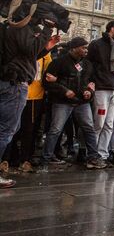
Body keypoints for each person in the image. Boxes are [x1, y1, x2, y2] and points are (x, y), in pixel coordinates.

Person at [0, 16, 58, 188]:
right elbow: (30, 48)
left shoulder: (8, 29)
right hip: (13, 84)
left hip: (9, 82)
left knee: (11, 129)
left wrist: (46, 48)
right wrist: (47, 29)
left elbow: (27, 53)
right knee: (6, 131)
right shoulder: (20, 28)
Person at [42, 37, 106, 169]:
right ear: (74, 48)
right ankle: (46, 158)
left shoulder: (87, 64)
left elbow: (91, 82)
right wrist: (64, 91)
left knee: (89, 128)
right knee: (55, 129)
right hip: (62, 102)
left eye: (86, 47)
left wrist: (89, 91)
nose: (86, 50)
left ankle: (93, 157)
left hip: (81, 102)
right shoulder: (58, 62)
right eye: (83, 47)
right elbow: (47, 82)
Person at [88, 20, 114, 164]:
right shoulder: (96, 45)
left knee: (109, 124)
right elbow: (89, 65)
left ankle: (102, 155)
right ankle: (93, 155)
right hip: (101, 89)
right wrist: (90, 83)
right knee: (99, 123)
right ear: (113, 29)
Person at [9, 52, 52, 172]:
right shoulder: (18, 49)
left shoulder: (45, 54)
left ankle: (24, 160)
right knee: (12, 128)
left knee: (29, 129)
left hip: (34, 97)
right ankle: (8, 158)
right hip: (15, 94)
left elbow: (48, 71)